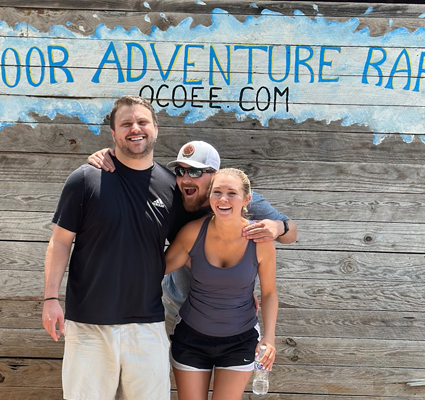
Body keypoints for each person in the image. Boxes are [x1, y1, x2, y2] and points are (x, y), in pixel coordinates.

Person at [42, 95, 185, 400]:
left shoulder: (171, 187)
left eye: (142, 122)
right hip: (88, 323)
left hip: (146, 325)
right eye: (126, 123)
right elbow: (60, 240)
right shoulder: (85, 179)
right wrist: (50, 298)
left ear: (156, 129)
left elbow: (196, 240)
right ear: (113, 134)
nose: (136, 128)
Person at [88, 140, 297, 333]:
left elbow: (292, 233)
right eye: (180, 171)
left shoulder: (242, 200)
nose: (186, 179)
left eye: (196, 171)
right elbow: (136, 175)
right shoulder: (170, 194)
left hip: (230, 313)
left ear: (215, 175)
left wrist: (278, 227)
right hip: (176, 303)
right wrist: (108, 156)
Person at [164, 168, 278, 400]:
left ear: (246, 199)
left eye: (231, 193)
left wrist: (269, 338)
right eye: (217, 192)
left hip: (240, 340)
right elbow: (155, 270)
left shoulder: (260, 240)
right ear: (209, 197)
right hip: (191, 339)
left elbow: (268, 293)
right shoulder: (192, 232)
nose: (223, 199)